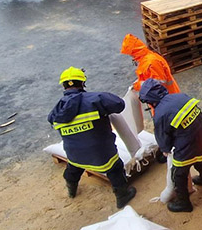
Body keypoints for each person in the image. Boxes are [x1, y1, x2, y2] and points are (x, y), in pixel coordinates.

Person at [47, 67, 136, 209]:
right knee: (115, 168)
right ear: (83, 83)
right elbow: (119, 104)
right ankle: (122, 195)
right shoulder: (97, 99)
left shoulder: (57, 110)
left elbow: (51, 120)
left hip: (75, 154)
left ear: (64, 86)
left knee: (74, 167)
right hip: (101, 155)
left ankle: (71, 188)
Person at [139, 78, 202, 212]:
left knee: (178, 173)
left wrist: (165, 150)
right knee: (198, 157)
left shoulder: (160, 113)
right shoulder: (180, 96)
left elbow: (163, 137)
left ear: (150, 101)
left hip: (187, 143)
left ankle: (183, 202)